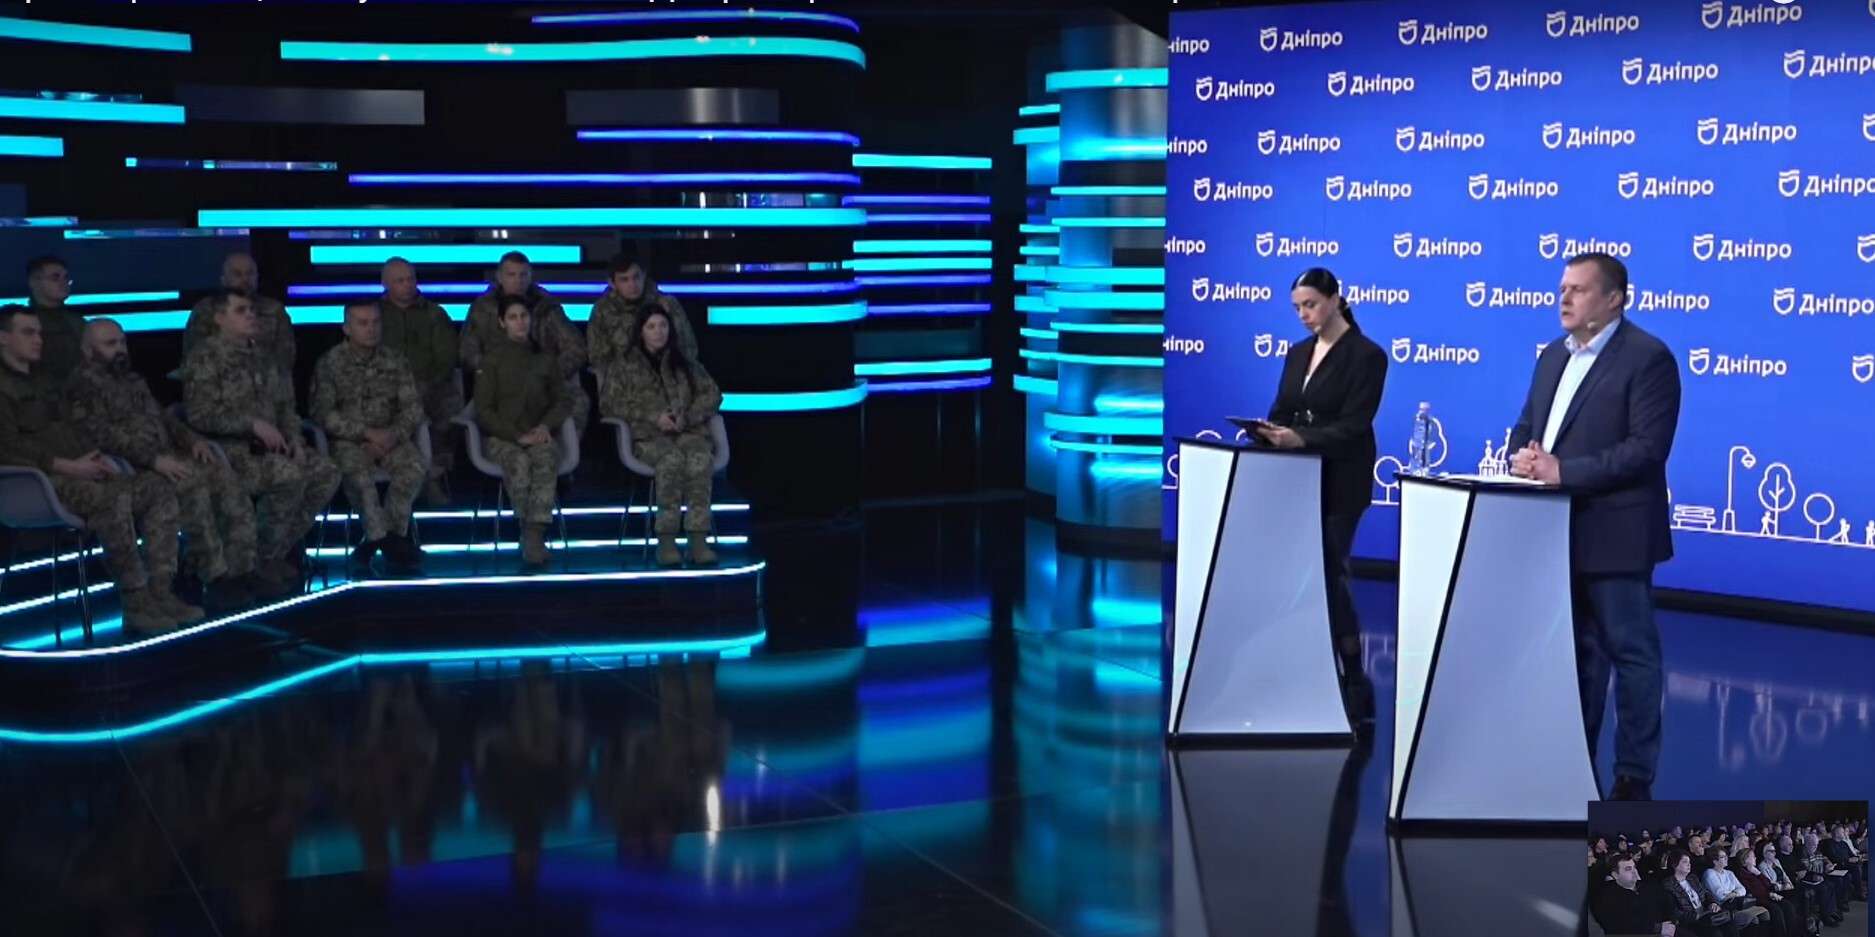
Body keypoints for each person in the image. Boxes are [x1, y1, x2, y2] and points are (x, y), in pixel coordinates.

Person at [1508, 252, 1681, 802]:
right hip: (1554, 534)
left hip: (1617, 533)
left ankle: (1633, 776)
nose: (1564, 298)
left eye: (1578, 290)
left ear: (1614, 299)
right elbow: (1527, 426)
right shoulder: (1551, 357)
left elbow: (1646, 450)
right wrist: (1521, 456)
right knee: (1576, 657)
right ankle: (1572, 761)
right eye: (1562, 288)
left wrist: (1564, 472)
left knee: (1631, 654)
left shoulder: (1648, 358)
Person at [0, 305, 195, 633]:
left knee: (157, 488)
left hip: (75, 469)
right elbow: (6, 447)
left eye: (39, 333)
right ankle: (135, 600)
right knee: (112, 499)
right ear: (3, 338)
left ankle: (159, 592)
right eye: (28, 333)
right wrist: (66, 465)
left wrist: (94, 459)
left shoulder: (46, 381)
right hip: (32, 483)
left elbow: (72, 430)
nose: (38, 340)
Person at [1252, 267, 1388, 725]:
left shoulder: (1367, 356)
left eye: (1310, 305)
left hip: (1341, 480)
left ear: (1334, 300)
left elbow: (1354, 425)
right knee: (1297, 574)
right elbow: (1281, 409)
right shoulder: (1297, 353)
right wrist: (1270, 433)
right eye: (1297, 308)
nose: (1303, 315)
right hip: (1295, 480)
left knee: (1329, 572)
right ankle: (1301, 669)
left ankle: (1353, 676)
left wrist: (1301, 438)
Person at [66, 319, 267, 611]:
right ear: (88, 350)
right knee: (192, 484)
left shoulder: (132, 380)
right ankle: (214, 576)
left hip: (168, 455)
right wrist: (154, 460)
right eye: (110, 344)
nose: (120, 349)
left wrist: (192, 440)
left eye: (122, 342)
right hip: (136, 465)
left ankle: (242, 569)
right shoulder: (82, 386)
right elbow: (101, 436)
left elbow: (164, 419)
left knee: (224, 476)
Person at [183, 289, 339, 590]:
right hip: (230, 451)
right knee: (289, 476)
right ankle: (258, 560)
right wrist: (251, 425)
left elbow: (286, 407)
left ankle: (271, 553)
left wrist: (295, 439)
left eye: (252, 310)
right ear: (220, 318)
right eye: (241, 311)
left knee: (326, 472)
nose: (251, 315)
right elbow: (199, 415)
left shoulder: (266, 358)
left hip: (275, 447)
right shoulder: (204, 358)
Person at [599, 304, 723, 568]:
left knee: (700, 459)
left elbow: (713, 394)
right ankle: (666, 541)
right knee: (672, 461)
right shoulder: (624, 366)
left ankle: (698, 540)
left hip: (686, 431)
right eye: (652, 326)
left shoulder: (685, 363)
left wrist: (687, 416)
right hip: (649, 437)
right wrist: (653, 416)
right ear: (641, 332)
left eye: (663, 325)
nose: (659, 332)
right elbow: (610, 404)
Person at [312, 302, 428, 575]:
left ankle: (377, 541)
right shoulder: (330, 363)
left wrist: (393, 435)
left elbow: (413, 408)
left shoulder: (395, 360)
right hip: (350, 441)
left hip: (391, 437)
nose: (371, 329)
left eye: (375, 322)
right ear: (346, 328)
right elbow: (322, 413)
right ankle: (392, 544)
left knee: (414, 467)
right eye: (363, 323)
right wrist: (365, 433)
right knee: (359, 478)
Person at [473, 299, 569, 570]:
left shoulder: (545, 358)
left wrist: (545, 426)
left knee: (546, 457)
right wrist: (517, 436)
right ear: (502, 322)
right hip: (502, 437)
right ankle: (529, 532)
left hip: (538, 433)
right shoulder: (491, 360)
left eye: (524, 315)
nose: (520, 322)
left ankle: (534, 532)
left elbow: (562, 400)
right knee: (519, 461)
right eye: (513, 317)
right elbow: (483, 410)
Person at [460, 252, 589, 438]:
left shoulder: (546, 307)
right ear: (499, 277)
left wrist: (549, 373)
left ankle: (556, 448)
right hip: (498, 382)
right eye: (511, 275)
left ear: (531, 276)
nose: (518, 281)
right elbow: (467, 351)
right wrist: (493, 373)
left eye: (523, 275)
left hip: (543, 379)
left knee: (577, 401)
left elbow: (576, 347)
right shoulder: (482, 309)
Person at [376, 258, 461, 506]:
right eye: (399, 281)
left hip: (429, 385)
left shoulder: (435, 313)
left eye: (410, 279)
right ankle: (419, 479)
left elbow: (446, 358)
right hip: (384, 389)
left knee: (446, 407)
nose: (407, 285)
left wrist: (424, 384)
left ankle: (433, 474)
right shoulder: (374, 315)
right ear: (385, 283)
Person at [184, 253, 296, 401]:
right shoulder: (205, 310)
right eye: (237, 274)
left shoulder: (275, 310)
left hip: (266, 393)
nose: (245, 279)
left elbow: (285, 360)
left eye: (250, 273)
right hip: (219, 395)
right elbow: (192, 358)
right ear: (223, 279)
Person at [588, 249, 697, 392]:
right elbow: (598, 358)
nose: (632, 284)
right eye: (624, 279)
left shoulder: (667, 304)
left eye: (636, 277)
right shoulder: (602, 310)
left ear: (644, 275)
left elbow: (688, 348)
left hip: (666, 382)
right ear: (612, 283)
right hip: (623, 387)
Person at [21, 256, 86, 383]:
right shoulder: (22, 323)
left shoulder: (77, 321)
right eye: (55, 278)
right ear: (34, 282)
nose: (63, 283)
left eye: (66, 278)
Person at [1591, 855, 1676, 936]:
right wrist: (1657, 928)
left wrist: (1671, 922)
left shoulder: (1648, 886)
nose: (1634, 872)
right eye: (1628, 869)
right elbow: (1619, 926)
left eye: (1634, 867)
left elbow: (1666, 905)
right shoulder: (1606, 897)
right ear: (1615, 875)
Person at [1659, 849, 1738, 937]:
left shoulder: (1692, 878)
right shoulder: (1668, 885)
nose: (1689, 864)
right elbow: (1674, 911)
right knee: (1715, 933)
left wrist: (1712, 903)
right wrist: (1697, 916)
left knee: (1730, 926)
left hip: (1706, 914)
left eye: (1689, 862)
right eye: (1685, 862)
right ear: (1675, 865)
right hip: (1691, 920)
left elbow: (1706, 893)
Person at [1737, 848, 1800, 937]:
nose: (1755, 858)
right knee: (1776, 910)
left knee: (1788, 905)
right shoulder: (1742, 874)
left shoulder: (1754, 871)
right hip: (1758, 900)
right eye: (1753, 856)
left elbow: (1768, 884)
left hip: (1768, 896)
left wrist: (1758, 873)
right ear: (1746, 859)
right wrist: (1769, 894)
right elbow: (1752, 891)